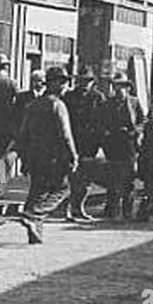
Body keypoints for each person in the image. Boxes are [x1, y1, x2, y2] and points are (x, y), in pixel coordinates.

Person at [16, 67, 77, 244]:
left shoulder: (33, 104)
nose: (65, 85)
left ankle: (35, 233)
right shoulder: (58, 104)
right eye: (63, 82)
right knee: (63, 189)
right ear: (54, 83)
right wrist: (73, 155)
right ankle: (33, 216)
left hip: (35, 156)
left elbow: (23, 133)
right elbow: (65, 134)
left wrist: (24, 158)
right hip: (53, 157)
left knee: (37, 192)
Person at [63, 69, 107, 223]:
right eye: (82, 80)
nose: (85, 84)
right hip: (72, 142)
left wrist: (100, 142)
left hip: (89, 144)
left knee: (86, 178)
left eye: (88, 81)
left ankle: (78, 207)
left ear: (92, 82)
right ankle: (69, 208)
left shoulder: (98, 97)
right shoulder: (69, 97)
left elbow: (102, 121)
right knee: (71, 176)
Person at [102, 76, 143, 219]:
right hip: (113, 146)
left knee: (129, 179)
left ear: (128, 88)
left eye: (122, 86)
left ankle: (127, 210)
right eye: (116, 86)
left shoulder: (134, 102)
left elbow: (142, 122)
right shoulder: (108, 104)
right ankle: (112, 209)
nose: (119, 89)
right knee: (112, 178)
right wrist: (106, 136)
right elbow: (102, 123)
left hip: (129, 146)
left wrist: (135, 132)